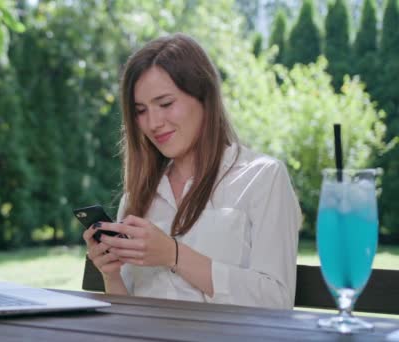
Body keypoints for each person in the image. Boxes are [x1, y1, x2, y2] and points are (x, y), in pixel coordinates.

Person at [83, 33, 302, 310]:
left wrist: (173, 255)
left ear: (204, 98)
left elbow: (277, 301)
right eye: (140, 110)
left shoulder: (263, 178)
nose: (153, 123)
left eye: (165, 104)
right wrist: (111, 274)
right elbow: (127, 314)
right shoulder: (138, 196)